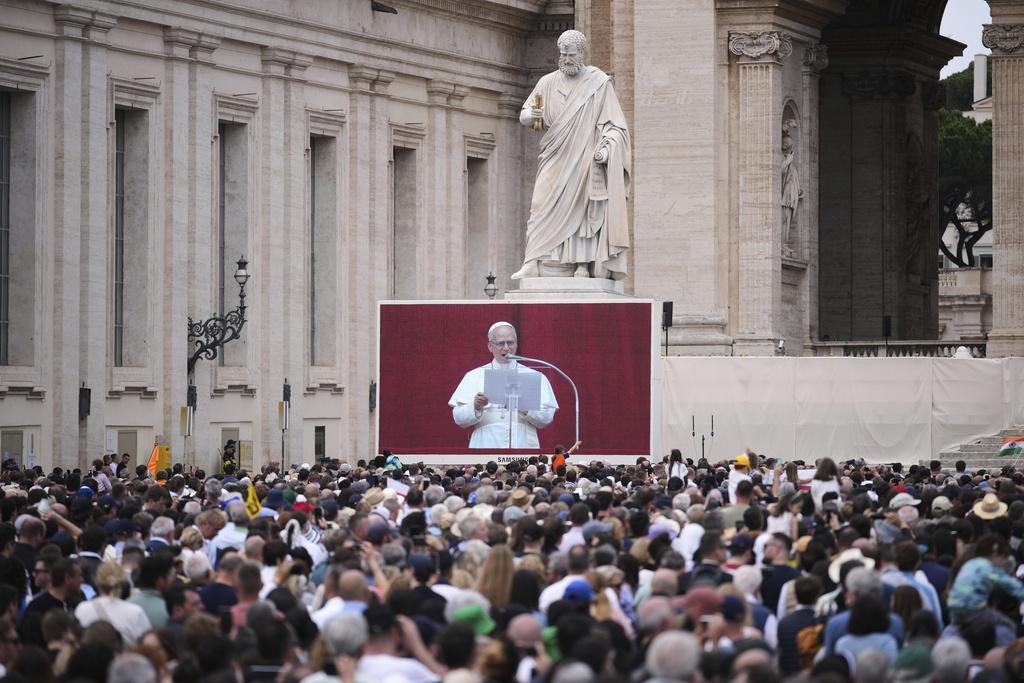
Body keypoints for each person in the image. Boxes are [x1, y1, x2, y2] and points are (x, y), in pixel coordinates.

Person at [511, 29, 631, 281]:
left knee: (581, 211)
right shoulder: (547, 82)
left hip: (584, 158)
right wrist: (531, 115)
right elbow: (525, 114)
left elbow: (616, 127)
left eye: (571, 55)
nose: (566, 59)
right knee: (540, 205)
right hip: (554, 155)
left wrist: (606, 149)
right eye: (563, 54)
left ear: (582, 54)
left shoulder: (598, 84)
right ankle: (533, 260)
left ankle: (581, 265)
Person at [448, 322, 558, 448]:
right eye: (501, 343)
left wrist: (524, 407)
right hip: (486, 443)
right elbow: (459, 418)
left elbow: (546, 418)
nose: (506, 348)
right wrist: (476, 406)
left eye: (510, 342)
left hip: (522, 444)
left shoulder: (534, 375)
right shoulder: (474, 376)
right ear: (490, 346)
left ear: (516, 344)